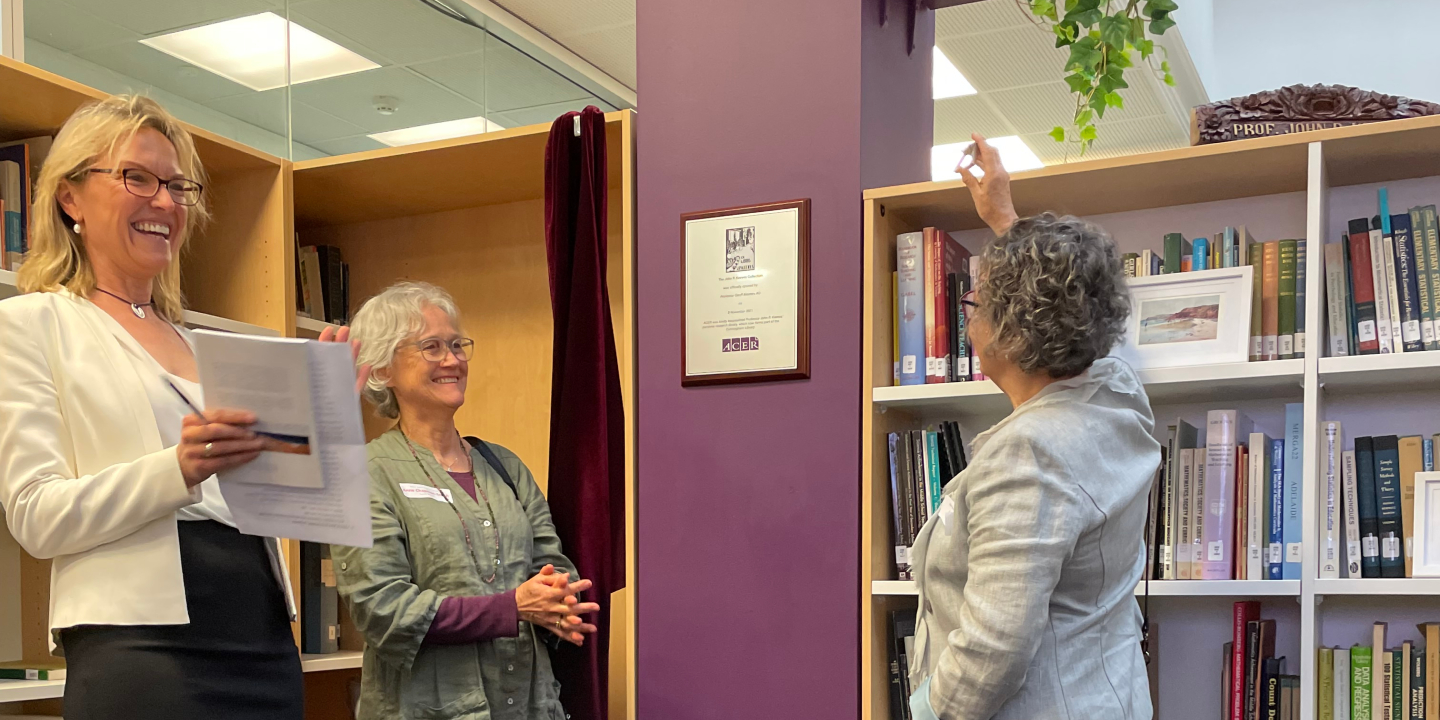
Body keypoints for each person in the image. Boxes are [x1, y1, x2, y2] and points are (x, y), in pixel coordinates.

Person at [0, 94, 357, 719]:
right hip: (142, 647)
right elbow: (36, 515)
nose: (165, 203)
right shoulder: (30, 325)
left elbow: (280, 508)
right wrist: (178, 468)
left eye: (177, 185)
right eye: (137, 177)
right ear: (70, 197)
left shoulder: (207, 345)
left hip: (263, 638)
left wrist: (321, 428)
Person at [906, 134, 1160, 720]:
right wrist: (1004, 220)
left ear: (1011, 334)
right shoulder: (1118, 396)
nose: (968, 314)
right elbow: (1063, 299)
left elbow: (992, 651)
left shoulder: (1027, 454)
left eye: (975, 303)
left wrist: (923, 712)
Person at [335, 281, 598, 720]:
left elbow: (554, 564)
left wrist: (560, 600)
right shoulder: (364, 474)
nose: (453, 360)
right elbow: (383, 611)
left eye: (457, 345)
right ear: (381, 370)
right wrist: (513, 607)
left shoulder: (505, 467)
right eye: (432, 347)